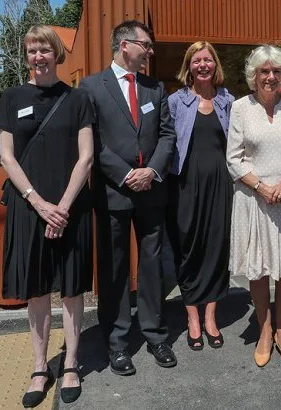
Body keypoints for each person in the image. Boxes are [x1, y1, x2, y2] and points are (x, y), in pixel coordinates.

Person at [0, 25, 93, 407]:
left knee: (70, 290)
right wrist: (39, 203)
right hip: (28, 206)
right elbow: (7, 156)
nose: (39, 57)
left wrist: (64, 207)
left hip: (70, 208)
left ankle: (70, 363)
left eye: (45, 50)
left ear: (57, 55)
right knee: (36, 291)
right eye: (32, 51)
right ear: (27, 56)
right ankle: (40, 366)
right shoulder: (11, 96)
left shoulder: (79, 99)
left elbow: (86, 157)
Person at [79, 20, 177, 374]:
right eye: (146, 45)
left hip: (151, 189)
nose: (150, 51)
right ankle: (118, 342)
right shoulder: (91, 86)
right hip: (112, 191)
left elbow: (167, 135)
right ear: (125, 45)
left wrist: (150, 171)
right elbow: (93, 140)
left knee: (151, 266)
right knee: (115, 268)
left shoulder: (155, 87)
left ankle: (154, 333)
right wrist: (124, 174)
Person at [227, 45, 281, 367]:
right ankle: (264, 329)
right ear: (254, 75)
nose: (270, 76)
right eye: (264, 71)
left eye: (276, 71)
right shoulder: (240, 108)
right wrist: (262, 187)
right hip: (254, 199)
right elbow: (232, 158)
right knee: (260, 268)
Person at [167, 42, 235, 350]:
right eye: (197, 60)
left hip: (221, 185)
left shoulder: (228, 101)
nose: (203, 65)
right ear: (189, 66)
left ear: (215, 65)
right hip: (185, 184)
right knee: (189, 247)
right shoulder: (175, 102)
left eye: (208, 60)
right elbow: (165, 142)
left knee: (216, 248)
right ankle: (192, 315)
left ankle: (210, 316)